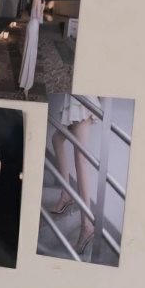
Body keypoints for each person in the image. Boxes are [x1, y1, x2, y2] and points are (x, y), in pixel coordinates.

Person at [45, 95, 100, 255]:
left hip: (82, 101)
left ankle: (87, 224)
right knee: (56, 139)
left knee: (80, 160)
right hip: (74, 100)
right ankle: (66, 194)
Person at [18, 0, 44, 96]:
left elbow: (31, 15)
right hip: (34, 26)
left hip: (30, 26)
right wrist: (43, 8)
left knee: (27, 52)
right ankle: (26, 86)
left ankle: (23, 81)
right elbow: (38, 17)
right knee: (31, 53)